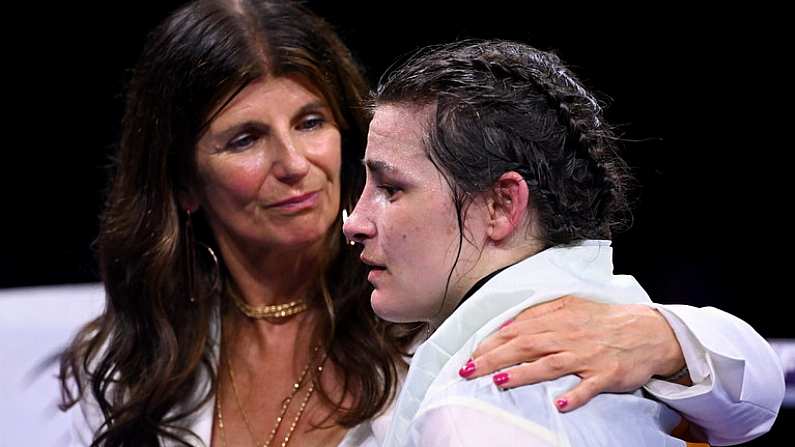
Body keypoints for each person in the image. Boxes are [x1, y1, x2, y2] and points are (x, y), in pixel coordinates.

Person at [59, 1, 782, 446]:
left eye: (311, 121)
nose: (295, 163)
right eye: (246, 138)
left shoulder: (423, 283)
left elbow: (747, 399)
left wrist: (664, 337)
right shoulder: (149, 346)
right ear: (184, 182)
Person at [343, 39, 785, 446]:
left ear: (500, 205)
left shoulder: (469, 413)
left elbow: (756, 395)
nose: (355, 222)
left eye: (391, 189)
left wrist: (667, 339)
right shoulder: (621, 318)